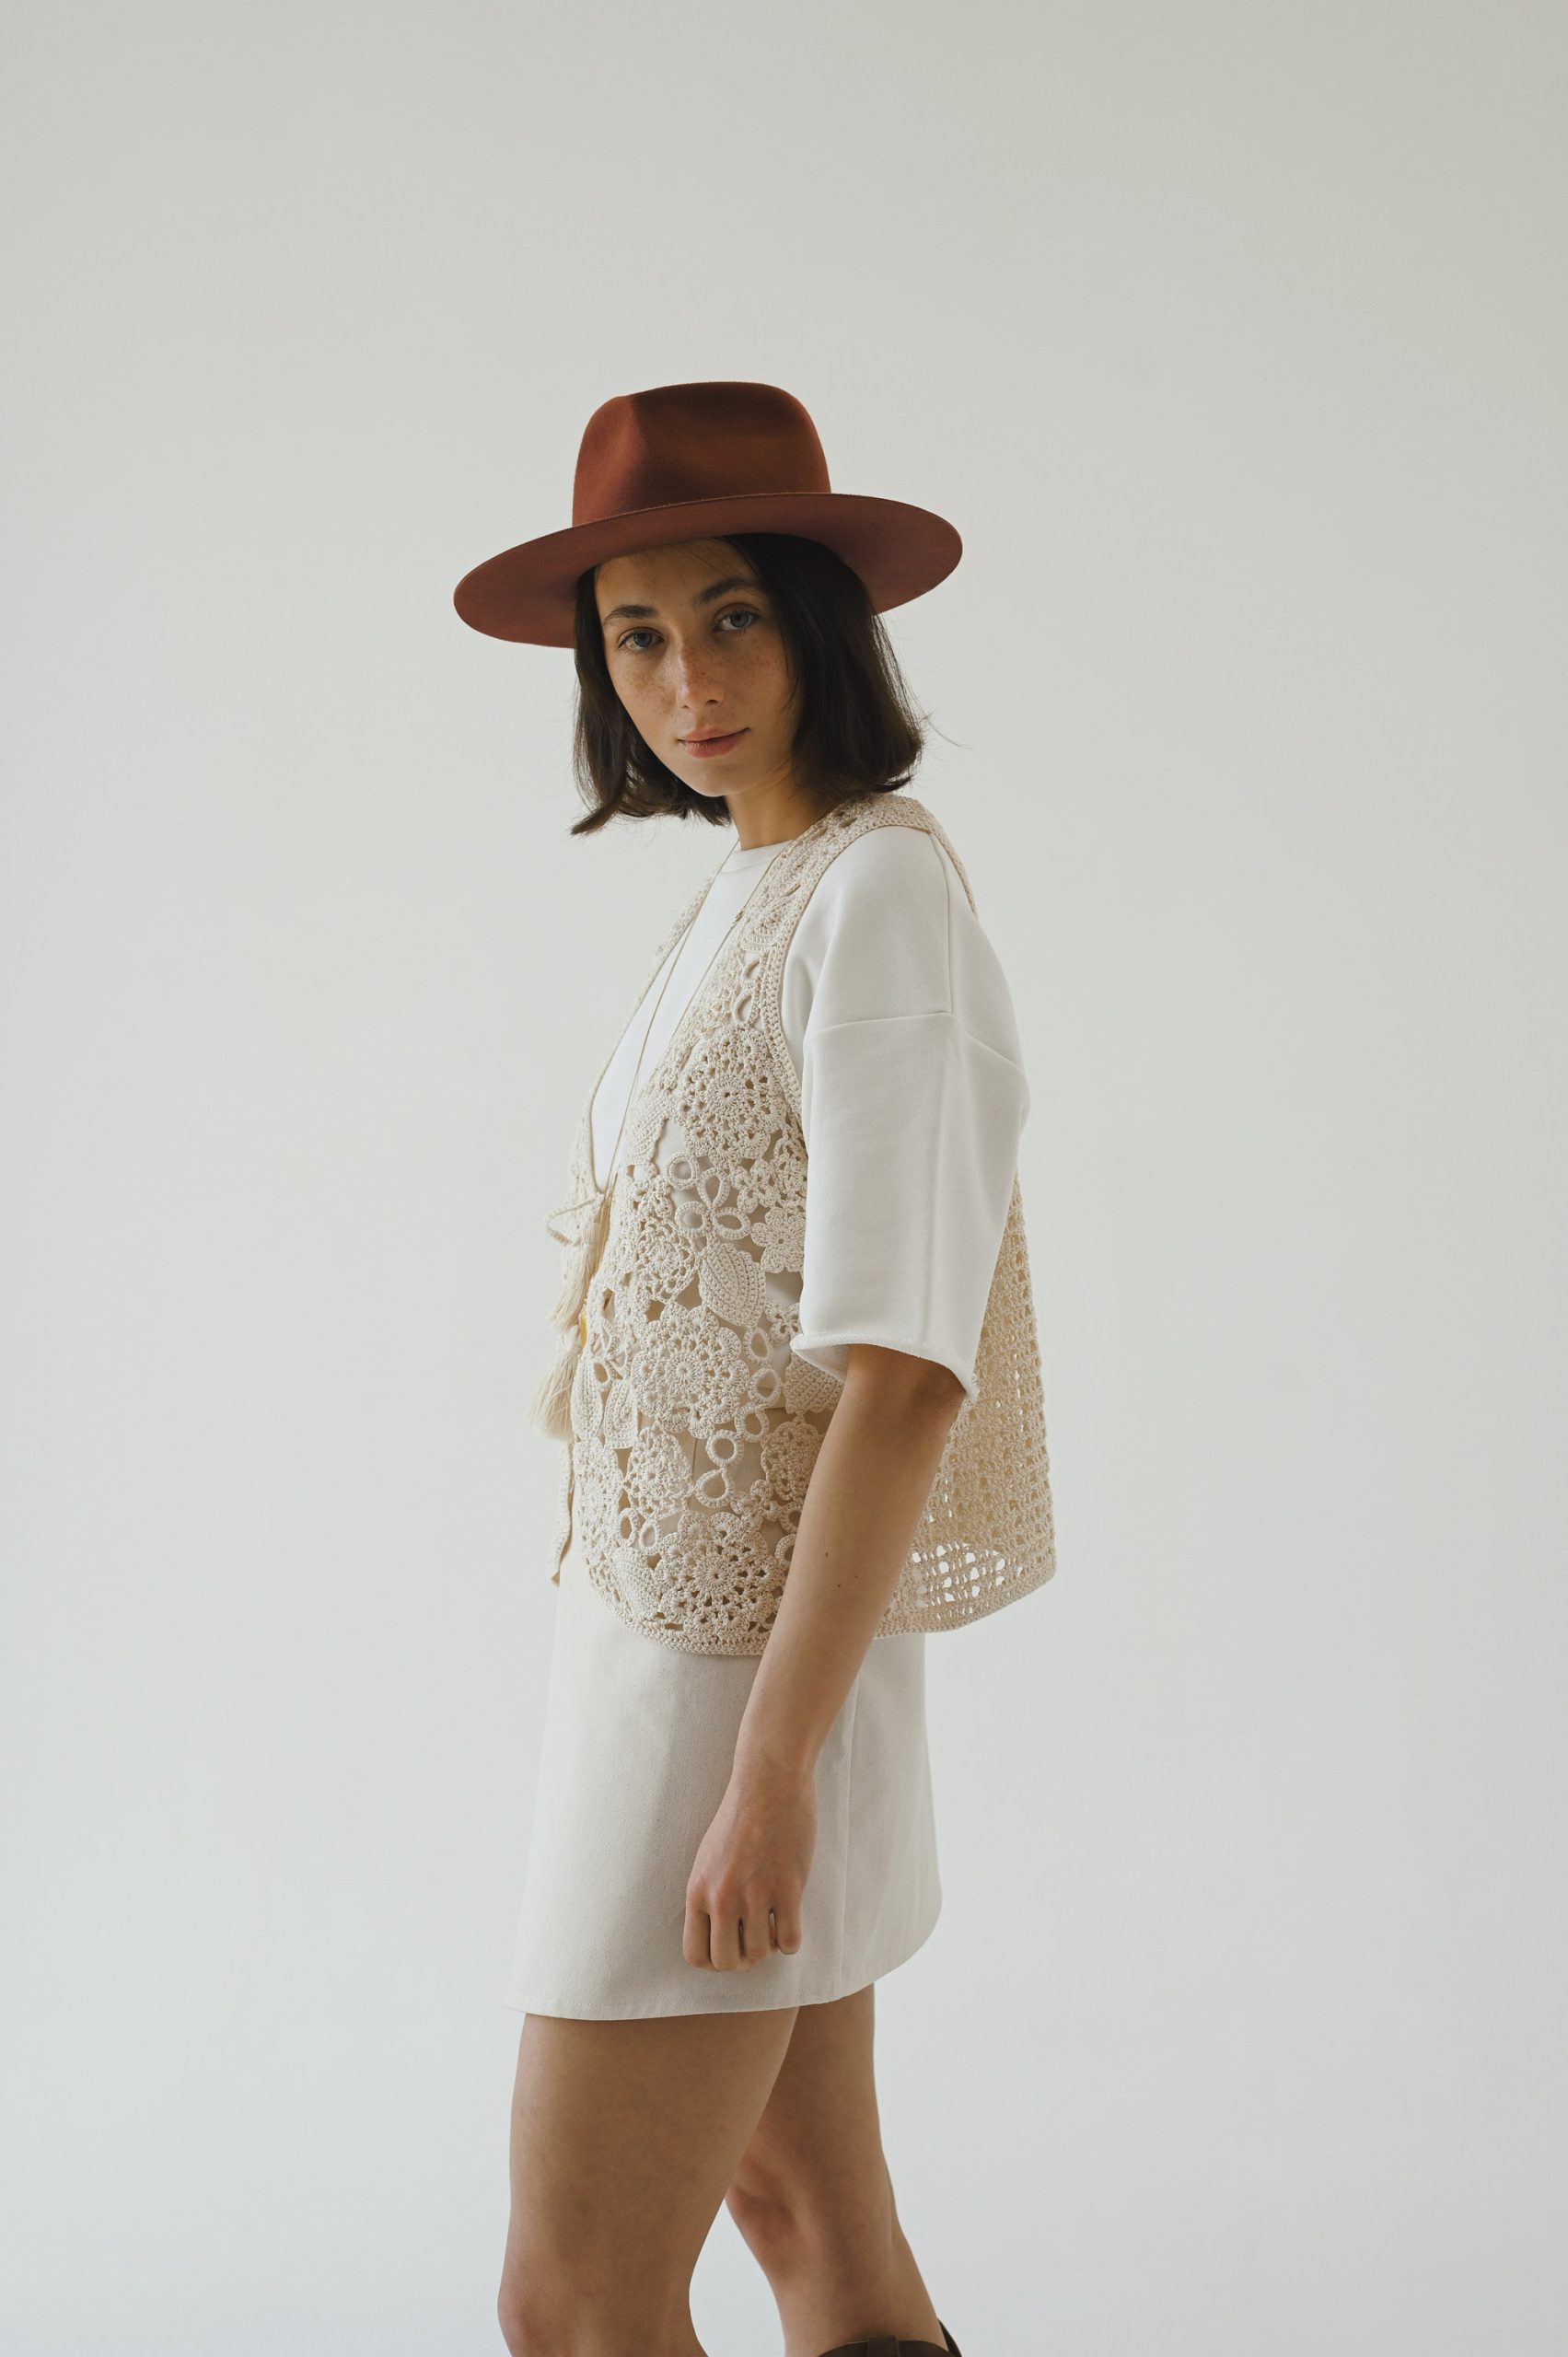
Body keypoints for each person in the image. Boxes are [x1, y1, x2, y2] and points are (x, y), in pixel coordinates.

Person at [453, 381, 1056, 2357]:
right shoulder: (748, 890)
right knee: (812, 2224)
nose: (686, 680)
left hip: (740, 1695)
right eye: (635, 634)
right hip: (662, 1643)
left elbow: (908, 1370)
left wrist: (773, 1767)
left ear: (819, 622)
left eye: (731, 616)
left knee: (574, 2297)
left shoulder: (881, 893)